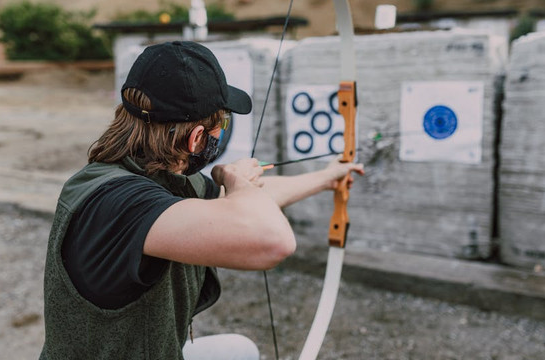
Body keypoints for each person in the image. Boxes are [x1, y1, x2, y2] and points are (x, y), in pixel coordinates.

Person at [39, 41, 363, 360]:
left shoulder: (153, 174)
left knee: (239, 351)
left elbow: (244, 202)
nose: (222, 129)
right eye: (220, 122)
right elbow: (273, 240)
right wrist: (236, 180)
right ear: (196, 138)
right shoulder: (119, 203)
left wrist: (327, 178)